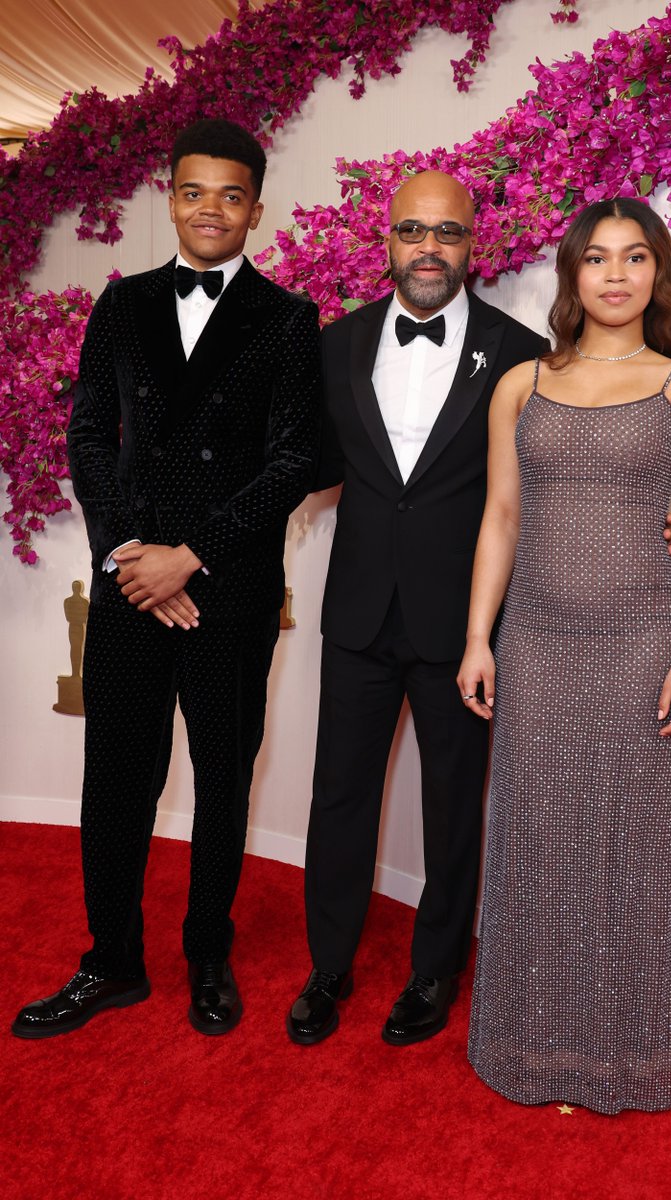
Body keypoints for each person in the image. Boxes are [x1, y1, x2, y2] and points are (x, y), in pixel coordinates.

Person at [287, 173, 671, 1048]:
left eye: (449, 233)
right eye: (412, 231)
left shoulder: (518, 353)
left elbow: (545, 474)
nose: (430, 248)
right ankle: (328, 967)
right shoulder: (337, 343)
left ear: (474, 243)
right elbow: (305, 462)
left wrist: (646, 510)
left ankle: (434, 972)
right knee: (338, 795)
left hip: (465, 624)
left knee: (456, 802)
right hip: (355, 610)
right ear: (386, 240)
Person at [12, 119, 321, 1039]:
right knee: (114, 777)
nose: (211, 209)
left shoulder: (289, 319)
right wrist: (129, 555)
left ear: (257, 210)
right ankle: (110, 961)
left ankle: (206, 955)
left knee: (223, 779)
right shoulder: (121, 304)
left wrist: (192, 555)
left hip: (226, 587)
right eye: (195, 192)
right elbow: (87, 436)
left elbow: (295, 460)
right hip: (128, 582)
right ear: (172, 199)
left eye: (232, 195)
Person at [458, 198, 671, 1113]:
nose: (616, 274)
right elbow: (499, 519)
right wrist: (476, 638)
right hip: (533, 640)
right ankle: (533, 1049)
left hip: (642, 645)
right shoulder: (520, 386)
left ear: (658, 274)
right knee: (538, 841)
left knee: (634, 852)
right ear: (572, 274)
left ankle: (631, 1058)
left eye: (636, 257)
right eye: (597, 258)